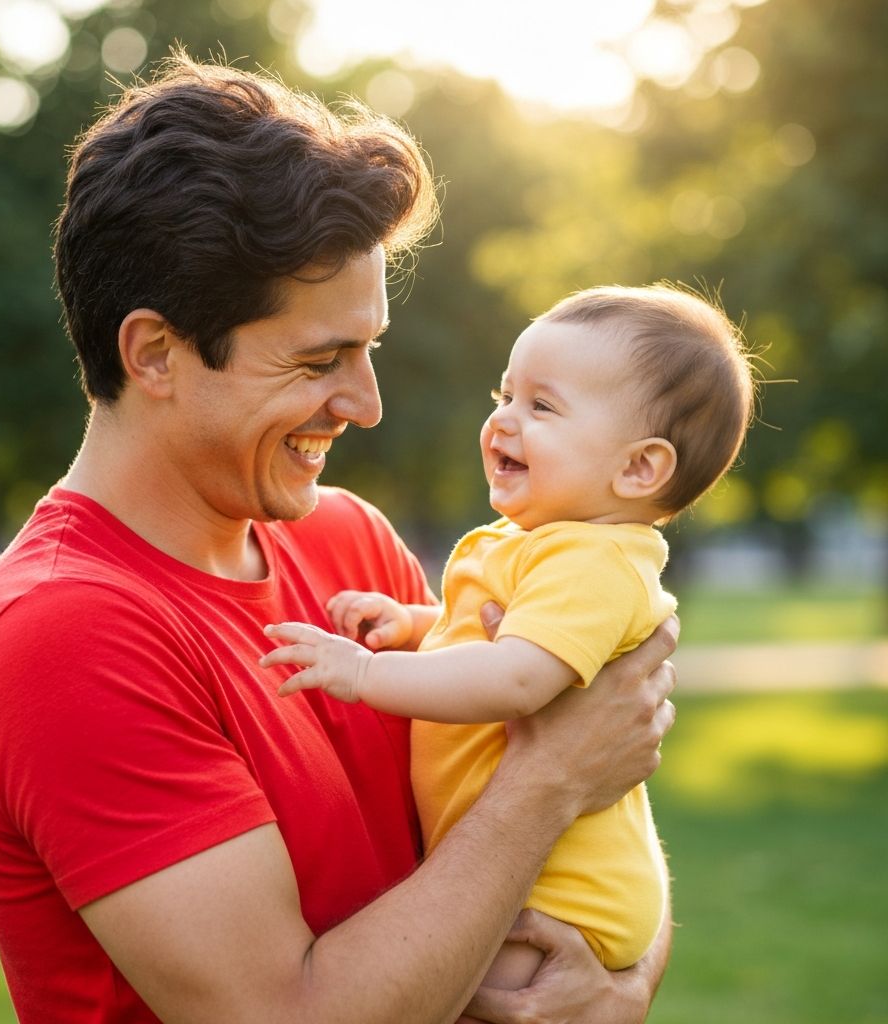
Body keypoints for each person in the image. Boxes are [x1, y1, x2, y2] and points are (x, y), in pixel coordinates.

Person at [0, 55, 678, 1024]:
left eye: (367, 349)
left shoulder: (350, 545)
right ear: (155, 353)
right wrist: (546, 782)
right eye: (318, 360)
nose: (365, 405)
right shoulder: (62, 634)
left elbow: (580, 844)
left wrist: (620, 985)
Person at [263, 284, 754, 988]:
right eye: (504, 396)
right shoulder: (532, 545)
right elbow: (492, 640)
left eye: (542, 407)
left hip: (560, 898)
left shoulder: (594, 561)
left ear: (639, 467)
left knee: (460, 995)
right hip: (525, 874)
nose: (502, 423)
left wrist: (365, 675)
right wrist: (415, 626)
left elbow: (516, 678)